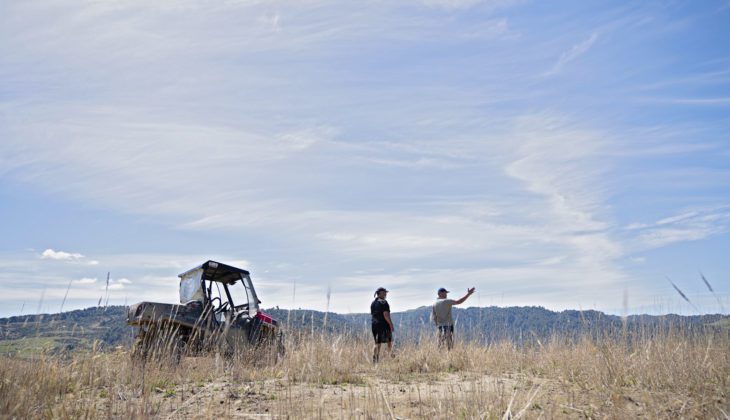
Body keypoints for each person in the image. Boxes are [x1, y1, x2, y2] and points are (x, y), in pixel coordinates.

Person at [371, 287, 394, 362]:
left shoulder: (373, 303)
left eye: (385, 293)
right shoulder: (384, 302)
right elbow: (386, 314)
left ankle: (375, 359)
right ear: (379, 293)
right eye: (384, 292)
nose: (385, 294)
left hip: (374, 324)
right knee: (389, 341)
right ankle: (390, 357)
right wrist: (391, 325)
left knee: (377, 343)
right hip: (383, 325)